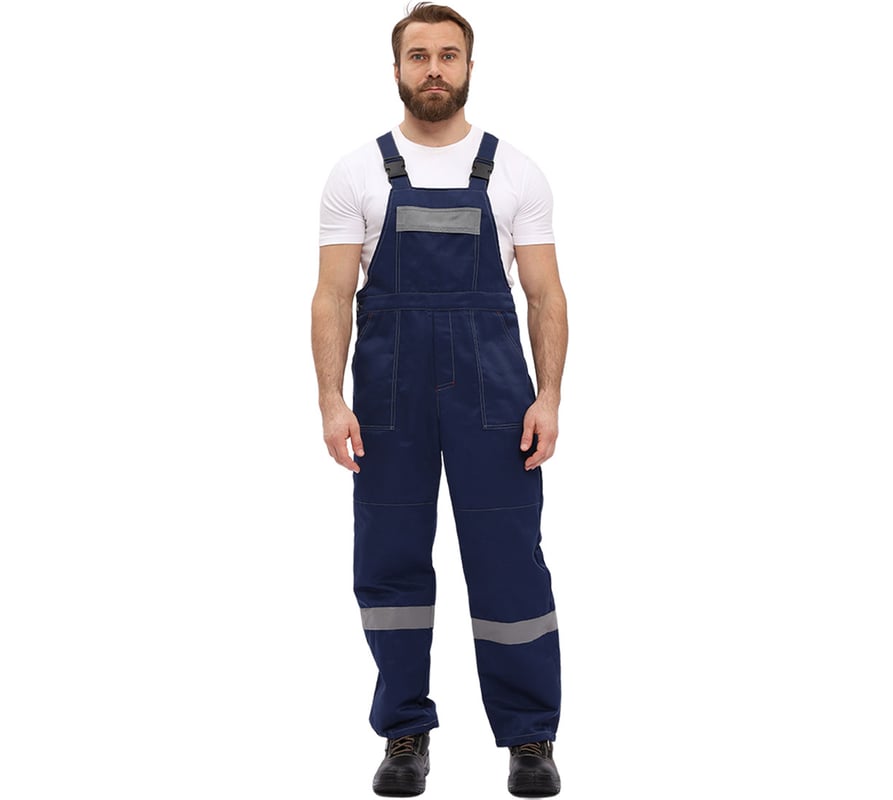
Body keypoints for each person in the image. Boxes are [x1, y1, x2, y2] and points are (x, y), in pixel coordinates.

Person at [311, 4, 569, 796]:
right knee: (389, 564)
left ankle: (529, 738)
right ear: (396, 69)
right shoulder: (357, 173)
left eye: (448, 56)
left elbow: (545, 295)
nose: (433, 69)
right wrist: (330, 401)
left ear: (468, 68)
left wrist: (550, 397)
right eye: (418, 55)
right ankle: (404, 733)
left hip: (496, 398)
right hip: (388, 399)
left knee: (509, 564)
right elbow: (331, 297)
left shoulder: (515, 171)